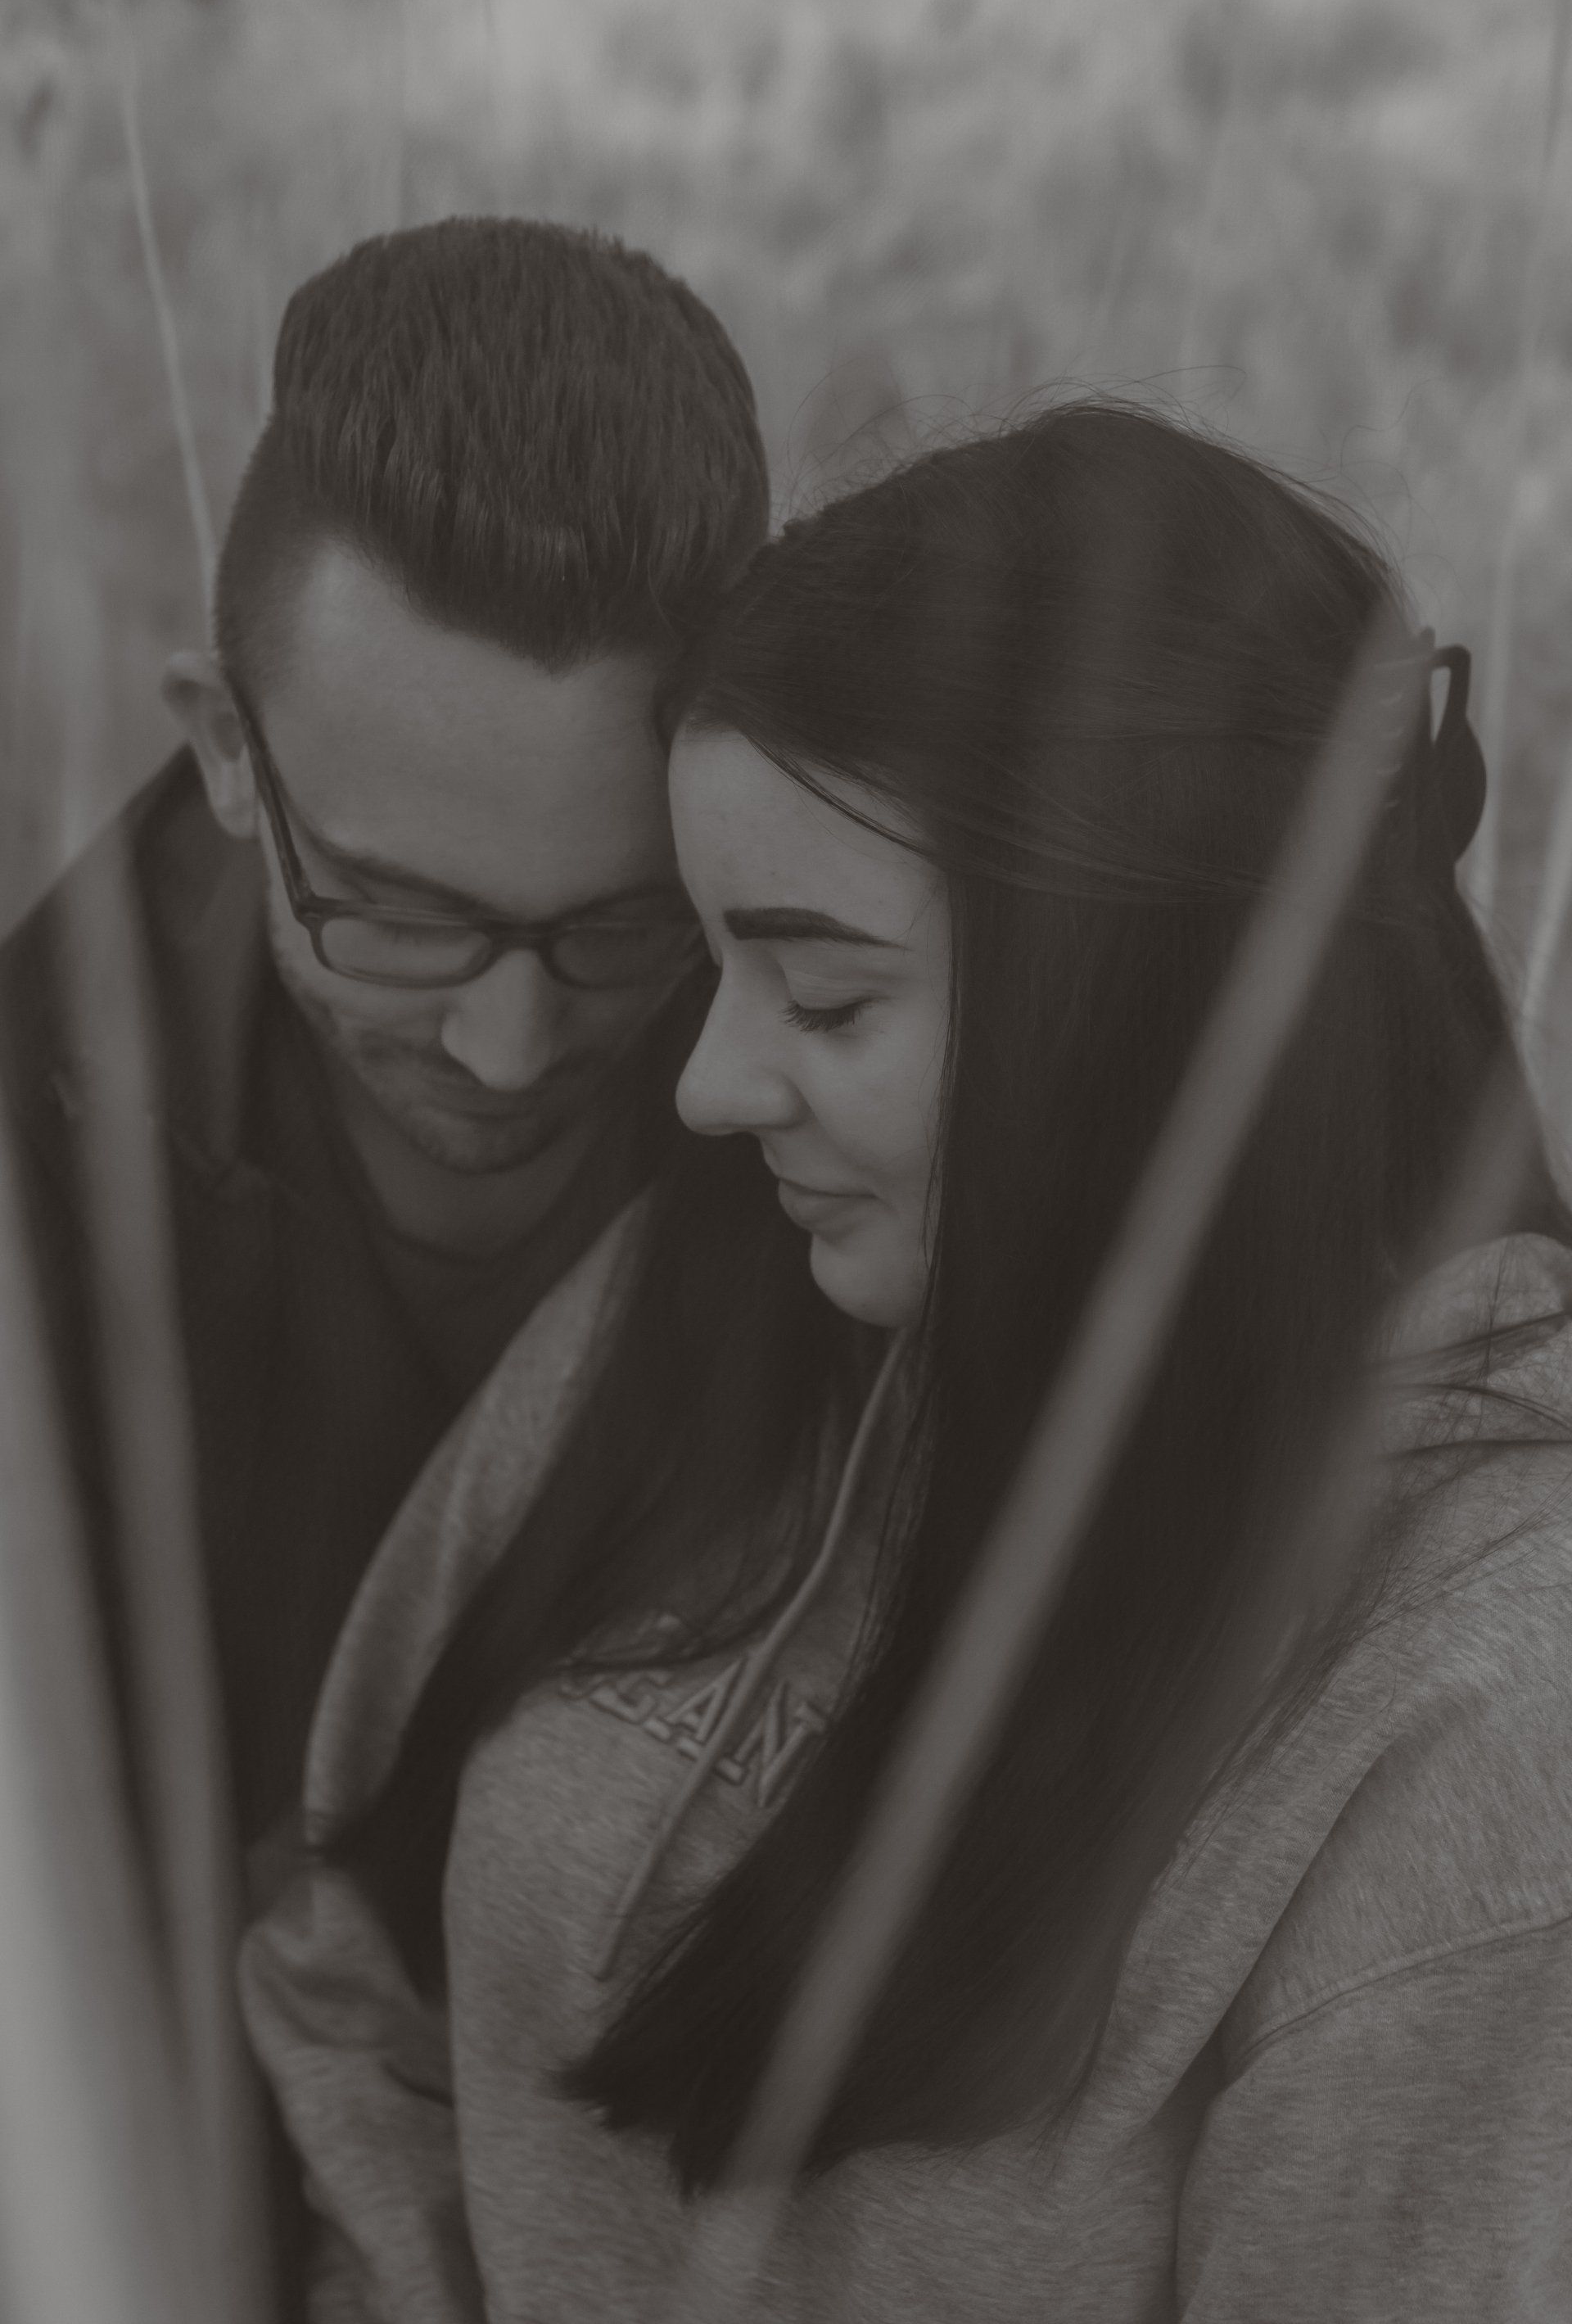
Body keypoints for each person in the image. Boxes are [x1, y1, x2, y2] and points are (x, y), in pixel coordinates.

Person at [243, 405, 1572, 2321]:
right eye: (715, 968)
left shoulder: (1486, 1701)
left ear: (1158, 1007)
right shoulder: (721, 1291)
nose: (710, 1088)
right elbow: (349, 1962)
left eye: (827, 993)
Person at [0, 217, 766, 1863]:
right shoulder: (28, 1169)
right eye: (398, 915)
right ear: (226, 747)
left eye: (624, 925)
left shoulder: (874, 1101)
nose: (509, 1048)